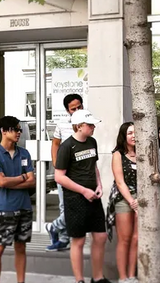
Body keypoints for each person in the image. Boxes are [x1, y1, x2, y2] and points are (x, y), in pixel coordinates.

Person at [55, 109, 111, 283]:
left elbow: (93, 166)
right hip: (75, 199)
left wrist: (99, 185)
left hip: (93, 197)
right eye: (90, 125)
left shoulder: (92, 142)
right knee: (78, 240)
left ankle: (98, 277)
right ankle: (79, 280)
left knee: (100, 236)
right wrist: (83, 190)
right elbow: (59, 177)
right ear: (79, 126)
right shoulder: (66, 146)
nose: (93, 127)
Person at [0, 116, 36, 283]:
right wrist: (22, 177)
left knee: (21, 247)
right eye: (15, 129)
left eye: (19, 129)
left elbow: (32, 181)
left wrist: (10, 182)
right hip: (4, 208)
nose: (19, 132)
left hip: (24, 207)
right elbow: (1, 182)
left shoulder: (24, 153)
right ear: (4, 131)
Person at [46, 93, 84, 251]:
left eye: (79, 107)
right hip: (65, 172)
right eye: (73, 109)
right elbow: (55, 144)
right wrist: (56, 164)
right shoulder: (62, 124)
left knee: (81, 206)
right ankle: (63, 239)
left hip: (82, 172)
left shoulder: (88, 122)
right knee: (65, 206)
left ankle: (54, 226)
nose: (77, 110)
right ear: (68, 110)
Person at [106, 122, 138, 283]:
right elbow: (120, 182)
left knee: (136, 238)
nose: (134, 136)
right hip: (124, 198)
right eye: (130, 133)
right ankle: (123, 277)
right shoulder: (118, 154)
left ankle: (132, 275)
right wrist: (132, 201)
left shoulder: (143, 153)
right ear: (123, 136)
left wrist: (139, 200)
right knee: (124, 239)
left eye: (136, 132)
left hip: (141, 198)